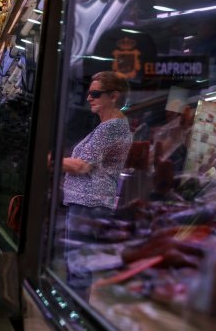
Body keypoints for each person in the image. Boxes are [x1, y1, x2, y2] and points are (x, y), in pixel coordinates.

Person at [62, 71, 133, 299]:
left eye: (95, 93)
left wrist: (49, 159)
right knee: (78, 265)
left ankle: (74, 319)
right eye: (89, 93)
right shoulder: (112, 126)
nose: (89, 98)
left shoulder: (110, 127)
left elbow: (83, 166)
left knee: (78, 266)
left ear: (113, 96)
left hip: (88, 203)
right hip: (91, 203)